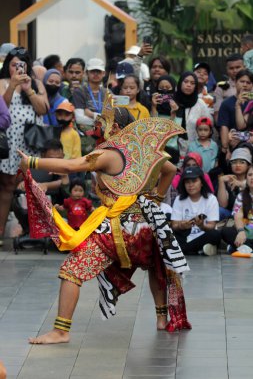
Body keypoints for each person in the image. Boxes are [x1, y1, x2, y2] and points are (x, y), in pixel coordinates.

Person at [18, 104, 191, 344]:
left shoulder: (109, 154)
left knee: (72, 271)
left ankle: (61, 330)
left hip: (117, 231)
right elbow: (170, 169)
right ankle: (162, 319)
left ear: (117, 127)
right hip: (146, 227)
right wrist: (157, 197)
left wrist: (34, 162)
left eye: (102, 124)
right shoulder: (143, 150)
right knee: (155, 266)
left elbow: (71, 166)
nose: (98, 128)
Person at [0, 46, 48, 246]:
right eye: (13, 65)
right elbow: (2, 108)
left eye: (21, 65)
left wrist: (28, 89)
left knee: (31, 185)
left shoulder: (35, 83)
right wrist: (12, 85)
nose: (17, 69)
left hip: (30, 142)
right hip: (8, 141)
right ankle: (1, 232)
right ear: (7, 66)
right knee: (6, 186)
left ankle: (39, 232)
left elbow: (43, 109)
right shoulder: (2, 83)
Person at [171, 166, 220, 256]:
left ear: (201, 183)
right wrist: (181, 226)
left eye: (194, 181)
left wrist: (202, 225)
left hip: (203, 234)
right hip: (185, 235)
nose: (190, 185)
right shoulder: (179, 199)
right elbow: (174, 225)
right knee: (171, 233)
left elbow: (212, 225)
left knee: (215, 234)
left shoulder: (211, 199)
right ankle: (200, 249)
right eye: (187, 182)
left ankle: (185, 249)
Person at [73, 58, 107, 155]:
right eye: (92, 71)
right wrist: (101, 119)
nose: (96, 74)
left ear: (103, 73)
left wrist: (91, 114)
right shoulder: (80, 91)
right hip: (86, 138)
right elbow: (79, 119)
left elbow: (111, 120)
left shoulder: (108, 93)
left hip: (104, 138)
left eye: (98, 71)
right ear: (86, 73)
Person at [217, 69, 253, 158]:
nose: (245, 85)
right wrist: (226, 146)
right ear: (235, 82)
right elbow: (223, 126)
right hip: (233, 143)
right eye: (242, 81)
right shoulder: (226, 103)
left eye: (248, 82)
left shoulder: (251, 103)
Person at [221, 164, 253, 254]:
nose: (252, 178)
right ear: (246, 178)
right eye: (250, 175)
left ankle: (240, 248)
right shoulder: (241, 195)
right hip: (246, 234)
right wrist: (241, 231)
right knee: (226, 231)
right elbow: (238, 215)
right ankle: (246, 247)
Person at [217, 147, 252, 220]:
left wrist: (241, 184)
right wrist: (221, 181)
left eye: (242, 162)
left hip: (250, 214)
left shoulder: (251, 178)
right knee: (219, 211)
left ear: (248, 165)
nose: (237, 165)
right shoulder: (227, 180)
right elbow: (223, 205)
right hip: (232, 215)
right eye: (234, 162)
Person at [214, 54, 244, 122]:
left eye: (238, 67)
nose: (235, 71)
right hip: (228, 128)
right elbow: (217, 115)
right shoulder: (221, 88)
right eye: (231, 68)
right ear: (227, 70)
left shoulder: (251, 86)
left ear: (244, 67)